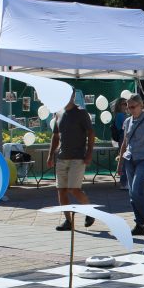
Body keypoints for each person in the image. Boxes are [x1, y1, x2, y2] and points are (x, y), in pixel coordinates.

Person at [47, 91, 96, 231]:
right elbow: (55, 136)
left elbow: (91, 133)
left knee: (73, 189)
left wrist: (89, 153)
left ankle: (90, 212)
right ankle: (68, 221)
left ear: (72, 96)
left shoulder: (81, 113)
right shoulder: (58, 113)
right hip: (62, 157)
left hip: (77, 157)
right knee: (61, 190)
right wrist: (51, 155)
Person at [117, 96, 144, 236]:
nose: (130, 110)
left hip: (143, 159)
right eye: (128, 107)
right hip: (129, 159)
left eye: (133, 107)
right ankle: (140, 223)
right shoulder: (127, 121)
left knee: (136, 190)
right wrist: (120, 163)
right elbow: (124, 143)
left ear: (141, 106)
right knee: (131, 194)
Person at [112, 98, 130, 190]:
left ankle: (125, 182)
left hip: (123, 137)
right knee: (124, 160)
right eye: (124, 104)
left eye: (126, 104)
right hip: (123, 137)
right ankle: (124, 182)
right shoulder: (120, 115)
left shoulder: (122, 115)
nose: (126, 106)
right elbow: (126, 126)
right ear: (119, 105)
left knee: (125, 160)